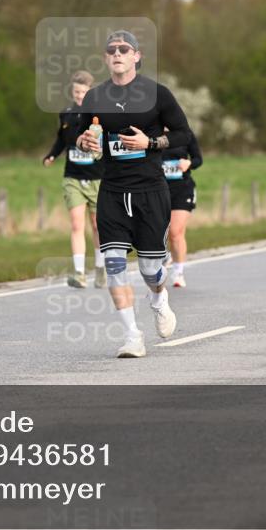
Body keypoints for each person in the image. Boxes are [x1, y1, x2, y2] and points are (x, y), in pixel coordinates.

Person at [75, 30, 190, 358]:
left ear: (137, 56)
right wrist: (85, 142)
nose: (117, 53)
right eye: (111, 49)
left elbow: (183, 134)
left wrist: (150, 143)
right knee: (113, 264)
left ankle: (158, 298)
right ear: (105, 58)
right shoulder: (96, 97)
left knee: (150, 269)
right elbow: (85, 136)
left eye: (124, 49)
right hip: (112, 190)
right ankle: (132, 336)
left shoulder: (157, 94)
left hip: (150, 192)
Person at [44, 70, 105, 289]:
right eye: (76, 91)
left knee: (98, 226)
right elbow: (61, 140)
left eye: (83, 92)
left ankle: (100, 270)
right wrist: (52, 155)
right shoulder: (67, 113)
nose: (79, 95)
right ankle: (79, 273)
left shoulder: (99, 114)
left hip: (98, 178)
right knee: (77, 224)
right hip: (73, 177)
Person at [163, 126, 202, 287]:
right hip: (158, 189)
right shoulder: (150, 131)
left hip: (182, 189)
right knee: (160, 230)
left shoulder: (185, 132)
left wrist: (189, 163)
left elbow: (198, 159)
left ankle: (178, 273)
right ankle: (166, 255)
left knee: (175, 231)